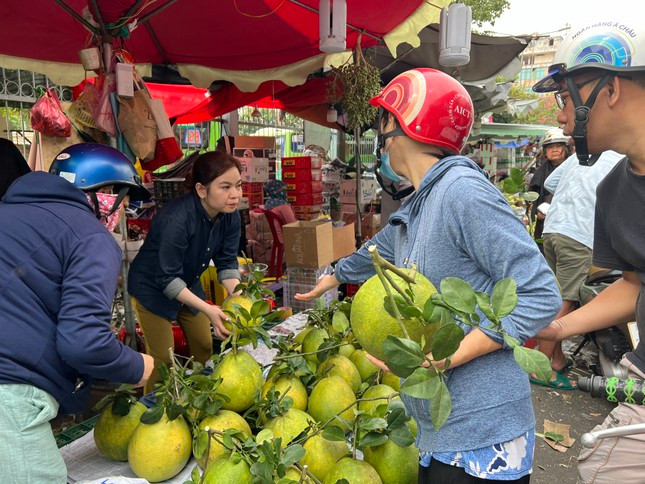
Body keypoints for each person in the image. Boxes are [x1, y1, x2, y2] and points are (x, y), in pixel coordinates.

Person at [297, 68, 561, 482]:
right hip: (441, 430)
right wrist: (333, 275)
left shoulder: (462, 192)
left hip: (480, 434)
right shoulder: (421, 204)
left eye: (382, 126)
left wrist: (447, 358)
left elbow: (540, 293)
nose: (379, 141)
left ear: (403, 128)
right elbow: (380, 248)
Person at [0, 143, 154, 483]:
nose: (124, 209)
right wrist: (137, 366)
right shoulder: (90, 235)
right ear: (105, 193)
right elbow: (84, 342)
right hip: (8, 392)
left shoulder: (11, 213)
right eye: (123, 197)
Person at [532, 19, 645, 484]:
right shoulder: (615, 190)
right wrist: (555, 327)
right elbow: (634, 287)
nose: (560, 117)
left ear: (610, 87)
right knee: (600, 470)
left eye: (564, 98)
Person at [128, 151, 243, 393]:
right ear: (202, 190)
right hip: (152, 288)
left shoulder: (230, 216)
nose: (235, 194)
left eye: (238, 185)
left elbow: (227, 262)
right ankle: (154, 415)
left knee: (203, 344)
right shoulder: (177, 218)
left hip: (188, 283)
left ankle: (199, 397)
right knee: (164, 361)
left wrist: (239, 298)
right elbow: (167, 278)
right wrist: (208, 309)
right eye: (225, 187)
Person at [530, 150, 623, 391]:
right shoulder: (623, 160)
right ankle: (542, 370)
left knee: (552, 299)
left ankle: (557, 359)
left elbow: (551, 182)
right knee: (566, 302)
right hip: (579, 234)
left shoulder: (584, 153)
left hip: (552, 230)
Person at [529, 128, 571, 240]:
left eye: (558, 146)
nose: (555, 150)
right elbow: (533, 195)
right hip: (545, 222)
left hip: (569, 222)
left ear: (566, 149)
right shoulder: (540, 172)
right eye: (550, 147)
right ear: (545, 152)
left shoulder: (574, 167)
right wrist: (538, 211)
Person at [262, 178, 297, 244]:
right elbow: (294, 226)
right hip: (286, 238)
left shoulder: (268, 203)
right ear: (277, 191)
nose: (285, 191)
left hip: (276, 237)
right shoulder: (283, 206)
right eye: (283, 189)